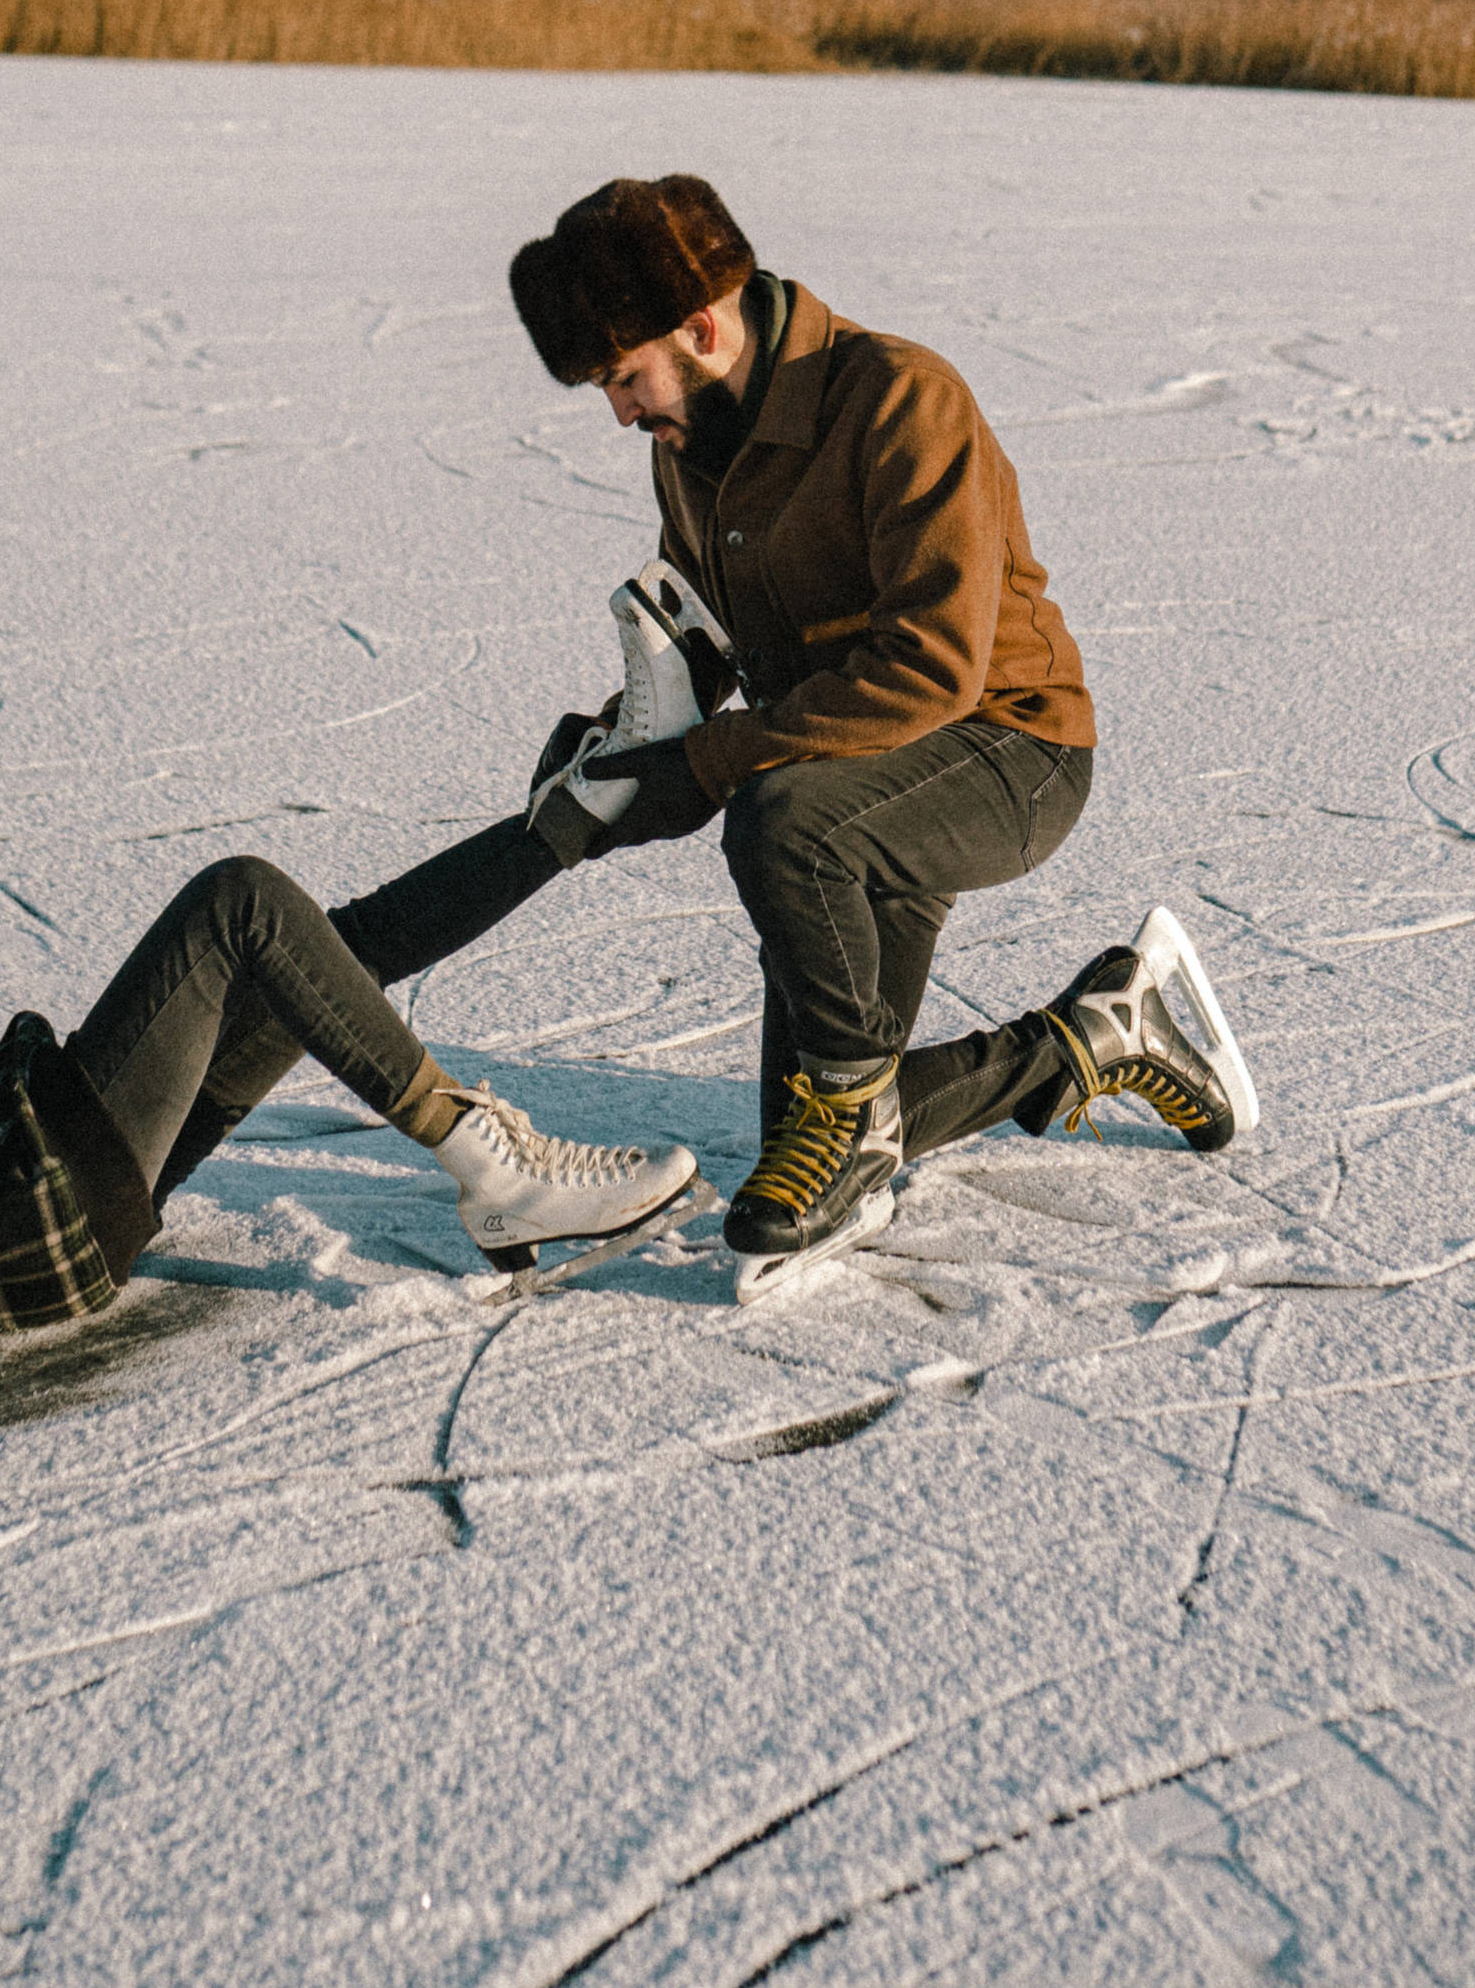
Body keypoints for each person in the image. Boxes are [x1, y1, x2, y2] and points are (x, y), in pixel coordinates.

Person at [0, 646, 699, 1407]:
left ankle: (564, 825)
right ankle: (487, 1167)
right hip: (1, 1215)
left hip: (8, 1183)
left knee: (308, 953)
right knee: (238, 898)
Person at [504, 173, 1258, 1281]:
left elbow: (933, 668)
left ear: (701, 328)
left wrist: (707, 765)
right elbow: (704, 637)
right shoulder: (690, 448)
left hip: (1006, 750)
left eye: (624, 378)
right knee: (794, 1144)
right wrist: (617, 749)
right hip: (841, 776)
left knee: (780, 827)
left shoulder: (900, 398)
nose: (620, 412)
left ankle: (855, 1108)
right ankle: (1100, 1032)